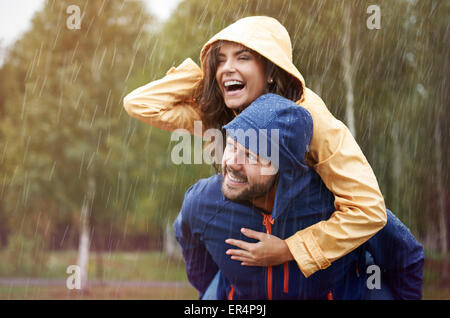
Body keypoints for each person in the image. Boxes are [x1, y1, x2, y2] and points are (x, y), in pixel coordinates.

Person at [124, 16, 387, 278]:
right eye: (221, 59)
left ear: (272, 71)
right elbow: (140, 104)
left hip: (319, 256)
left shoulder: (310, 118)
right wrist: (207, 77)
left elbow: (368, 210)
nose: (227, 67)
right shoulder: (226, 112)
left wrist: (289, 249)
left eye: (243, 57)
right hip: (251, 236)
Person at [174, 93, 424, 300]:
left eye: (252, 156)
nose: (232, 163)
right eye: (233, 145)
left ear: (286, 170)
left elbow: (406, 257)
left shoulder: (340, 205)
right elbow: (197, 263)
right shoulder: (203, 202)